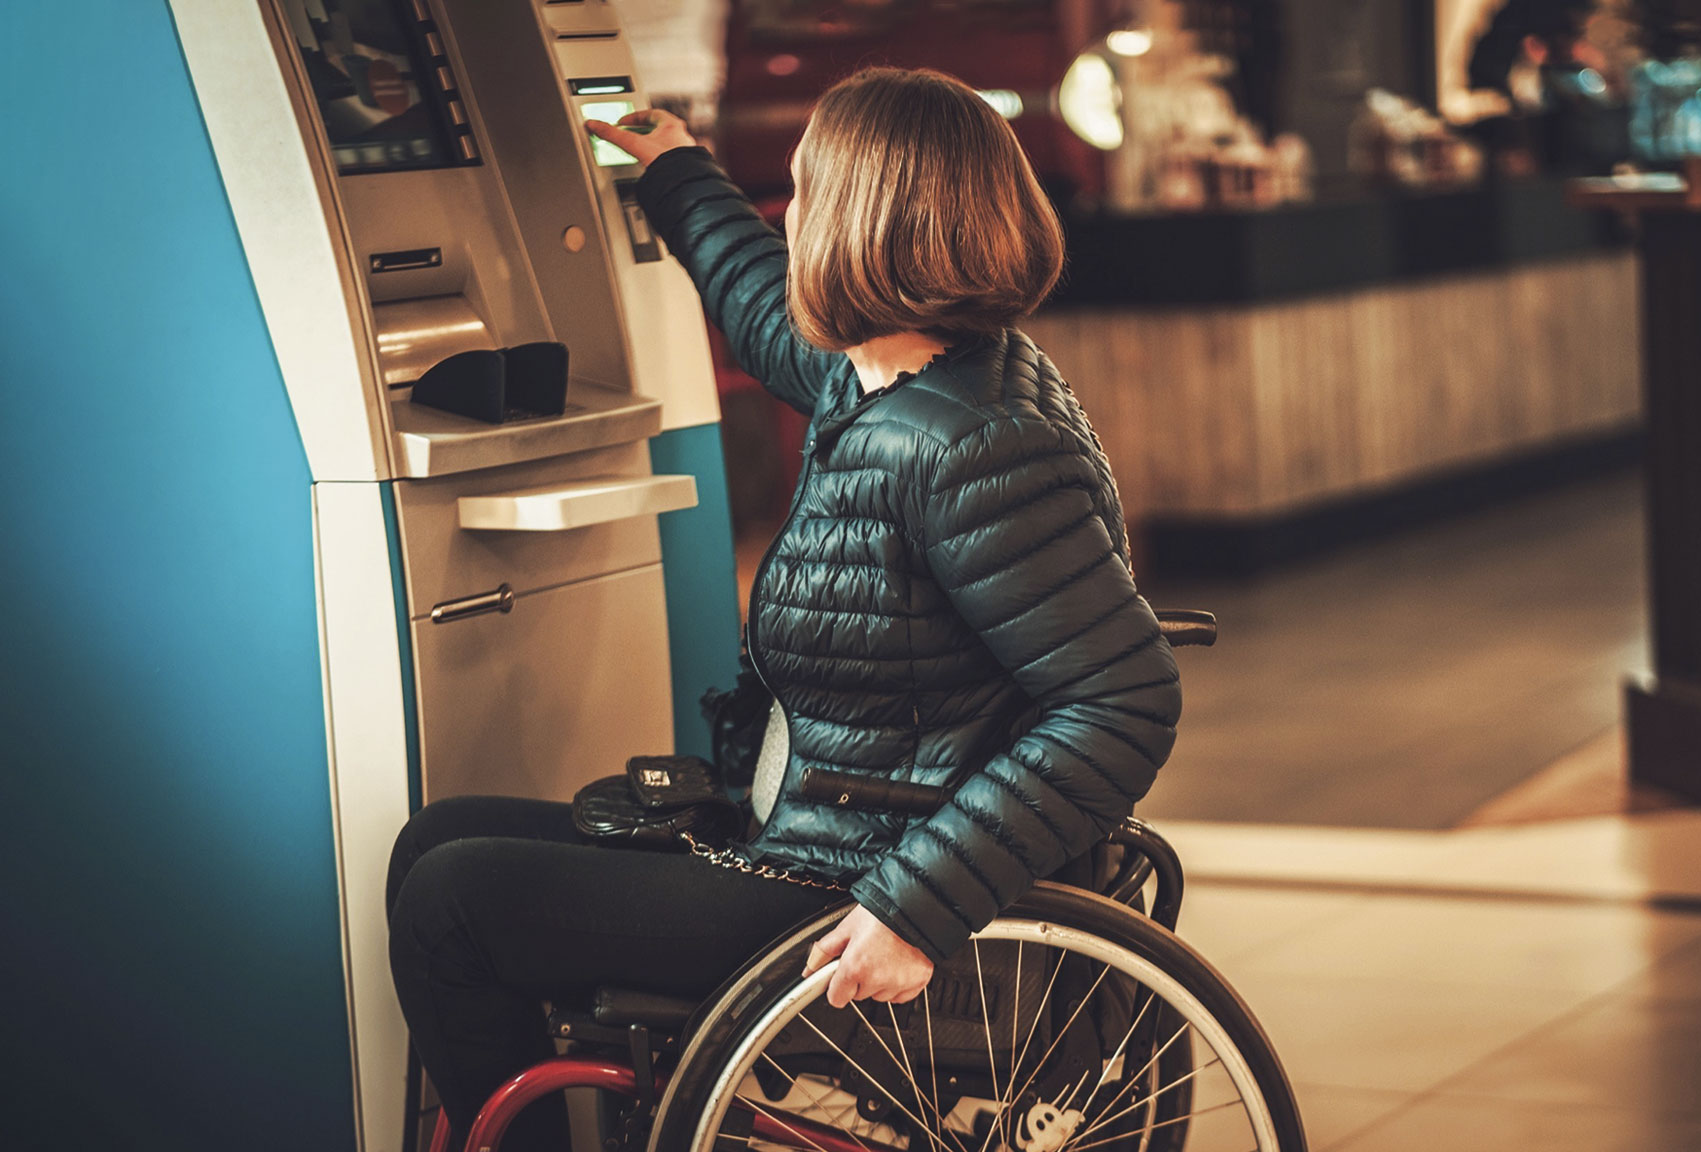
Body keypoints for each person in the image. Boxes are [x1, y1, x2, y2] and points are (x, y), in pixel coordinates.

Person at [385, 66, 1180, 1151]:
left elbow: (1122, 702)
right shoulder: (891, 371)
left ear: (867, 221)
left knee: (455, 902)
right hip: (822, 830)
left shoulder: (973, 444)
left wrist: (915, 908)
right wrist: (672, 169)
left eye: (806, 191)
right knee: (439, 840)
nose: (789, 213)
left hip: (859, 881)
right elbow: (763, 303)